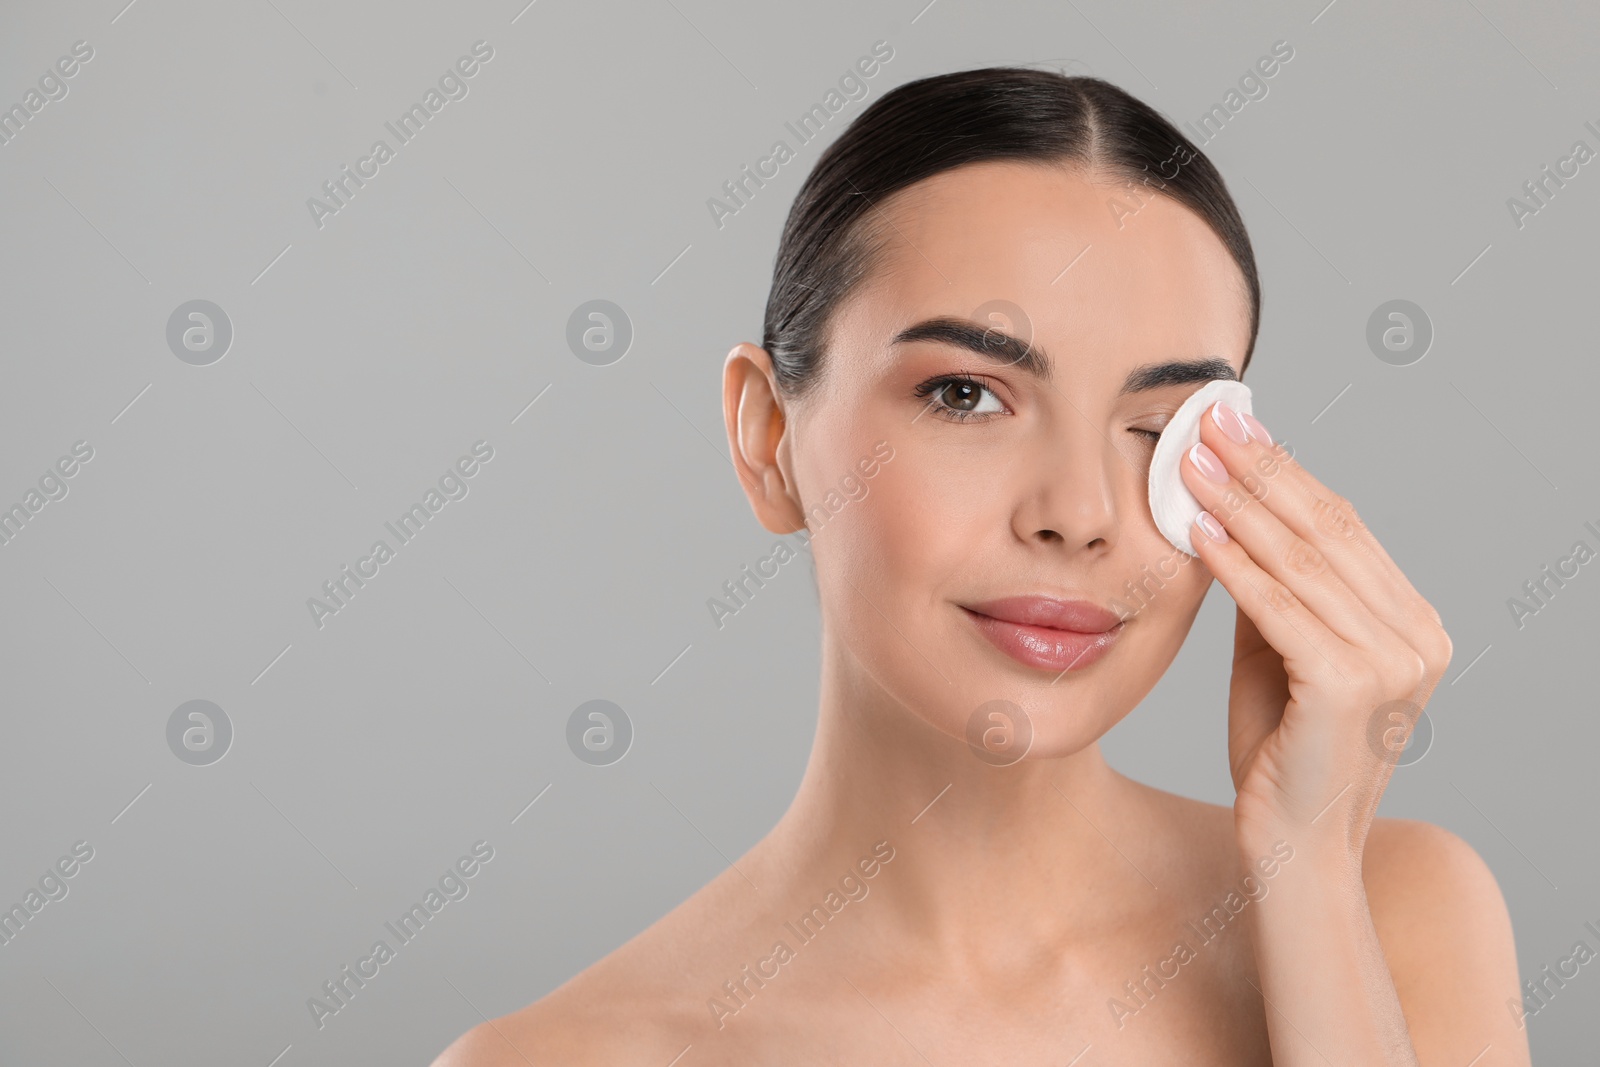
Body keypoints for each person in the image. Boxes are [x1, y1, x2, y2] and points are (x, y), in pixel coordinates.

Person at [434, 67, 1528, 1066]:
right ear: (767, 437)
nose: (1080, 514)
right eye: (966, 394)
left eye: (1160, 425)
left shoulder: (1398, 911)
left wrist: (1308, 883)